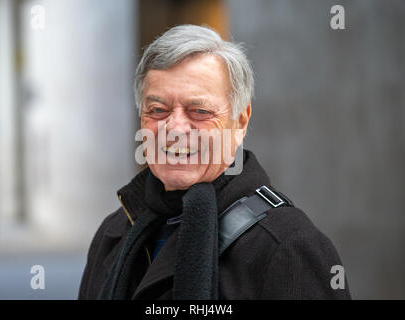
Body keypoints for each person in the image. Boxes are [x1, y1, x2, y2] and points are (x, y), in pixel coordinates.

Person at [78, 24, 351, 300]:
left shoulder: (288, 248)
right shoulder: (113, 235)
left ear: (240, 122)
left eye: (199, 111)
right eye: (157, 110)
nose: (174, 128)